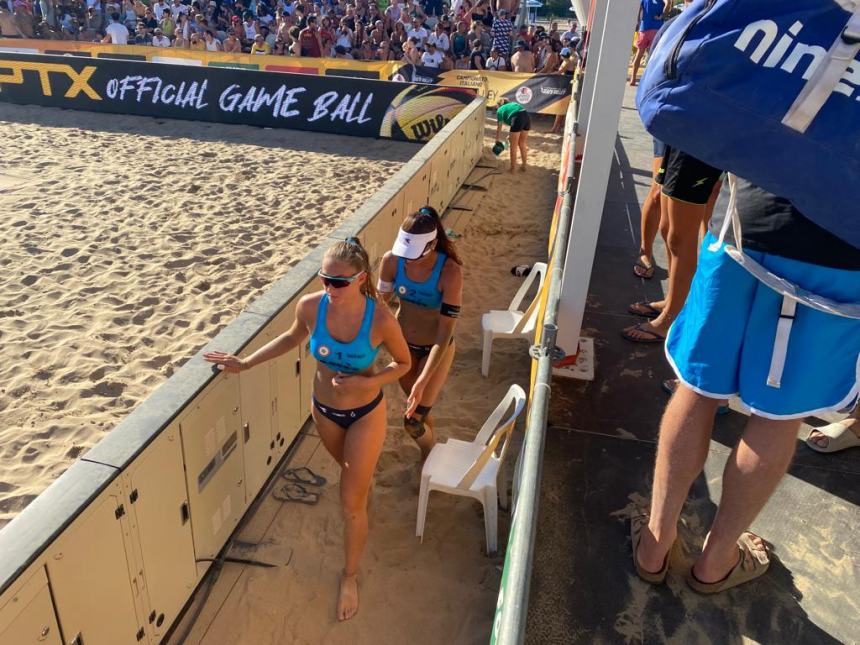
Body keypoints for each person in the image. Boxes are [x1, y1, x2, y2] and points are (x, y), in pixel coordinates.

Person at [633, 178, 860, 592]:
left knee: (698, 389)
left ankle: (654, 545)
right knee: (778, 415)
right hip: (841, 245)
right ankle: (717, 561)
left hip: (746, 219)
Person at [204, 238, 411, 621]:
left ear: (361, 278)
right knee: (353, 484)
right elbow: (291, 337)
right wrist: (246, 362)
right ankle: (364, 497)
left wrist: (367, 383)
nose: (329, 288)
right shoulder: (311, 307)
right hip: (324, 412)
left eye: (339, 282)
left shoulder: (380, 319)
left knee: (349, 503)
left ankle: (349, 576)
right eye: (323, 279)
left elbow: (402, 363)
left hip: (365, 413)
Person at [378, 208, 463, 461]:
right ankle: (431, 446)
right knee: (420, 410)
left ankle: (429, 453)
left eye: (414, 255)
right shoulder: (392, 260)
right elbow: (380, 308)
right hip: (402, 346)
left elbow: (446, 329)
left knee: (412, 422)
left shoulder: (450, 272)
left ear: (432, 244)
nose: (409, 260)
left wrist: (423, 379)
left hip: (436, 347)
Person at [622, 147, 722, 343]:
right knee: (667, 229)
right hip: (680, 139)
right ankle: (671, 301)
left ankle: (671, 318)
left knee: (680, 237)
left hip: (700, 143)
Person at [630, 0, 670, 86]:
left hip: (644, 28)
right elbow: (668, 4)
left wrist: (637, 22)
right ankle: (648, 81)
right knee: (653, 57)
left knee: (639, 54)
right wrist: (662, 16)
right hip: (656, 30)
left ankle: (633, 79)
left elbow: (639, 9)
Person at [495, 97, 529, 173]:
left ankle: (512, 169)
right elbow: (515, 124)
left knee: (513, 146)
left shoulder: (500, 110)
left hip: (517, 118)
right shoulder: (513, 104)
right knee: (522, 143)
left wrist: (497, 140)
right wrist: (510, 136)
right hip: (526, 116)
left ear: (498, 105)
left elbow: (499, 128)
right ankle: (524, 166)